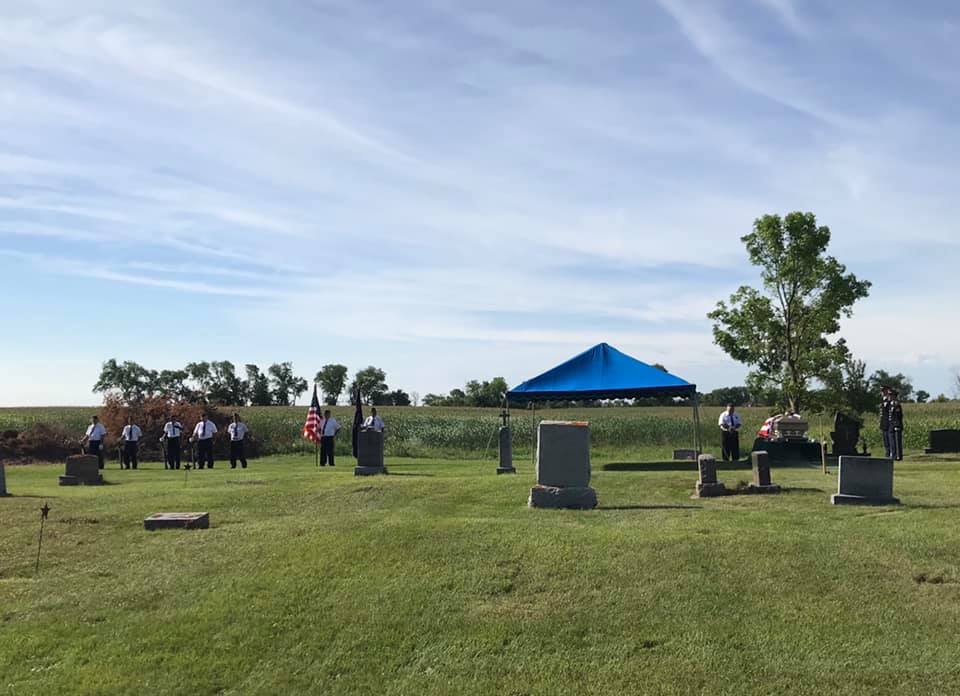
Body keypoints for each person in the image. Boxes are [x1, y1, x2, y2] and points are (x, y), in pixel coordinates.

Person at [889, 390, 904, 461]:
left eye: (891, 395)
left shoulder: (897, 405)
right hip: (891, 425)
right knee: (892, 442)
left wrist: (897, 425)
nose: (890, 397)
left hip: (896, 425)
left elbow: (898, 416)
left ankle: (898, 456)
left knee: (897, 442)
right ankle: (894, 455)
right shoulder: (891, 404)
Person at [879, 386, 893, 458]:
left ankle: (891, 453)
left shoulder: (890, 401)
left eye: (883, 391)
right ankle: (887, 453)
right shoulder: (882, 401)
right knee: (885, 440)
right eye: (882, 391)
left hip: (889, 423)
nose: (882, 392)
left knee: (890, 439)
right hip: (883, 423)